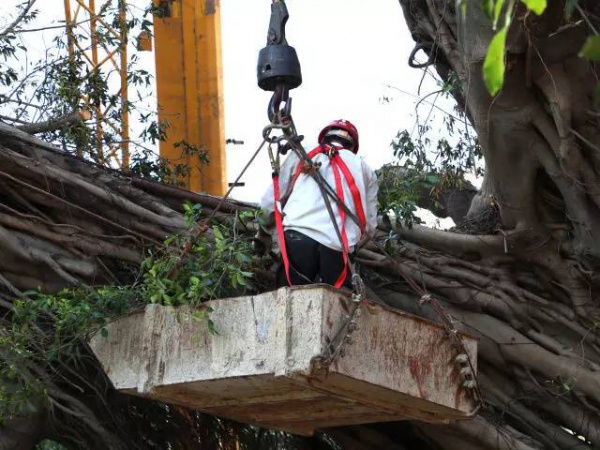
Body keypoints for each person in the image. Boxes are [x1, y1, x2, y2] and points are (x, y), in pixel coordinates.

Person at [259, 119, 378, 289]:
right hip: (337, 248)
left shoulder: (304, 153)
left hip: (296, 237)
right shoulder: (366, 170)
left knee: (289, 301)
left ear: (324, 138)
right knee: (335, 306)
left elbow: (271, 201)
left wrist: (264, 235)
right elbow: (370, 225)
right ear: (352, 146)